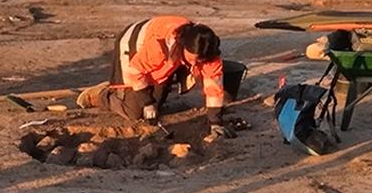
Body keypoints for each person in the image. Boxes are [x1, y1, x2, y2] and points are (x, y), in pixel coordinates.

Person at [77, 15, 246, 140]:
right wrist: (146, 101)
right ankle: (103, 95)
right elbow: (135, 70)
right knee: (135, 111)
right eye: (194, 59)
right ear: (182, 46)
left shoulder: (208, 52)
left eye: (200, 60)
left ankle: (138, 94)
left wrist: (215, 122)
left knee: (154, 109)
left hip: (164, 62)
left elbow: (213, 87)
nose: (197, 63)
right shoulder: (159, 46)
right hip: (134, 47)